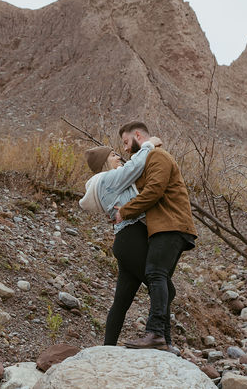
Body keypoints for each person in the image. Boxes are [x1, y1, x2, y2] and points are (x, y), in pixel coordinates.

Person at [113, 121, 197, 351]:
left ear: (138, 135)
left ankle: (156, 334)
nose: (126, 148)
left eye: (126, 142)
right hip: (167, 226)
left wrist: (125, 212)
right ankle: (165, 342)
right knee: (160, 280)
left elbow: (153, 191)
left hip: (171, 225)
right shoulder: (148, 159)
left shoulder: (158, 157)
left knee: (155, 273)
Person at [78, 137, 165, 347]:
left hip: (126, 241)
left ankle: (108, 349)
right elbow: (135, 167)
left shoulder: (107, 183)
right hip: (132, 239)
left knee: (121, 302)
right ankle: (158, 339)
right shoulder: (109, 178)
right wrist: (148, 144)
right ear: (104, 163)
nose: (119, 157)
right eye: (113, 155)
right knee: (164, 289)